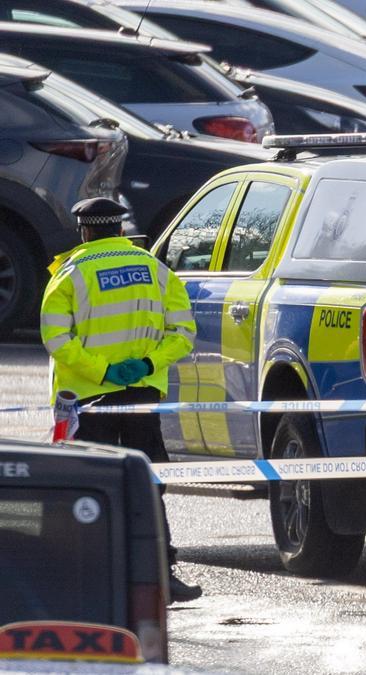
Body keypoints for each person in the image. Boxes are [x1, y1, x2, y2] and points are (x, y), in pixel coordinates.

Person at [40, 197, 202, 603]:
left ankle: (77, 577)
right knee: (147, 483)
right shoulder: (155, 270)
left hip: (86, 399)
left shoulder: (70, 274)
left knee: (82, 485)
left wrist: (101, 371)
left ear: (85, 230)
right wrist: (147, 364)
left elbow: (57, 338)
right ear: (122, 230)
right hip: (141, 396)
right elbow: (183, 332)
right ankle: (162, 575)